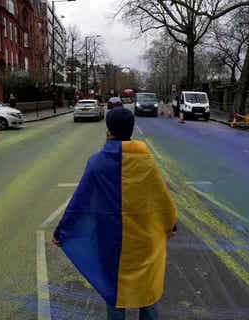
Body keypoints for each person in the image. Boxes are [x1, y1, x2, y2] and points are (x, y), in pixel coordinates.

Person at [53, 108, 177, 320]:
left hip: (110, 241)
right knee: (146, 295)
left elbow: (79, 203)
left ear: (109, 131)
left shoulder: (97, 163)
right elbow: (161, 197)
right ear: (130, 131)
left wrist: (62, 231)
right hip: (144, 241)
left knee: (114, 293)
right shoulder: (146, 160)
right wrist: (170, 224)